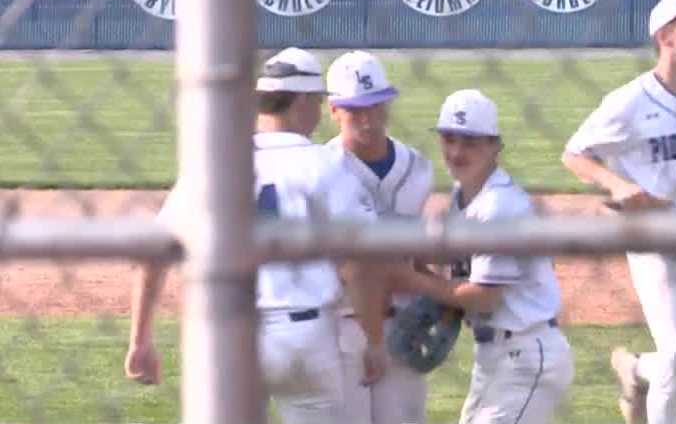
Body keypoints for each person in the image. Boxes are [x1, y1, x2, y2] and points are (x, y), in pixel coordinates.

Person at [124, 47, 386, 424]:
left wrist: (140, 341)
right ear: (305, 101)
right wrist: (373, 340)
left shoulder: (216, 163)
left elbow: (154, 253)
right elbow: (359, 266)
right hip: (304, 337)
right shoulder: (327, 166)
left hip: (225, 333)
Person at [561, 0, 676, 424]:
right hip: (653, 239)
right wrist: (618, 185)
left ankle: (638, 369)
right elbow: (575, 153)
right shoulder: (630, 101)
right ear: (665, 35)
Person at [390, 89, 575, 424]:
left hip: (527, 354)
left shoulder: (499, 206)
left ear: (495, 147)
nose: (457, 152)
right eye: (449, 139)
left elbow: (484, 298)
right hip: (494, 357)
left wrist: (413, 279)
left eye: (471, 142)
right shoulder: (464, 196)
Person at [324, 50, 435, 424]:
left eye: (376, 106)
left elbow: (418, 251)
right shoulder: (319, 172)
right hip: (341, 328)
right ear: (333, 110)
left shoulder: (418, 168)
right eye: (356, 110)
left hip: (403, 326)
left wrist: (440, 294)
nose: (368, 120)